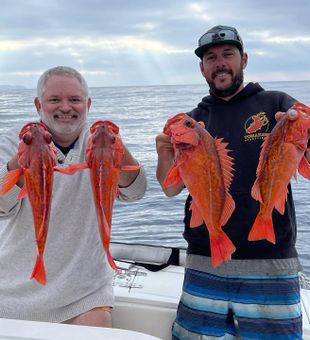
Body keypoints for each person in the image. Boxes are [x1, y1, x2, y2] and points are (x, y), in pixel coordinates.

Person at [156, 25, 309, 339]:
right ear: (202, 68)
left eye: (228, 54)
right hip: (204, 258)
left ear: (245, 59)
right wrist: (162, 151)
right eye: (210, 58)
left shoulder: (278, 104)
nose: (219, 62)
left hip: (270, 261)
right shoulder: (195, 119)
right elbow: (171, 188)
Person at [0, 66, 147, 327]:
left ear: (88, 104)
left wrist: (120, 153)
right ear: (38, 104)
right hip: (13, 289)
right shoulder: (13, 142)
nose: (65, 107)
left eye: (75, 99)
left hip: (84, 292)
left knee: (97, 325)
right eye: (55, 99)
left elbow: (135, 193)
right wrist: (19, 164)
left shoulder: (101, 139)